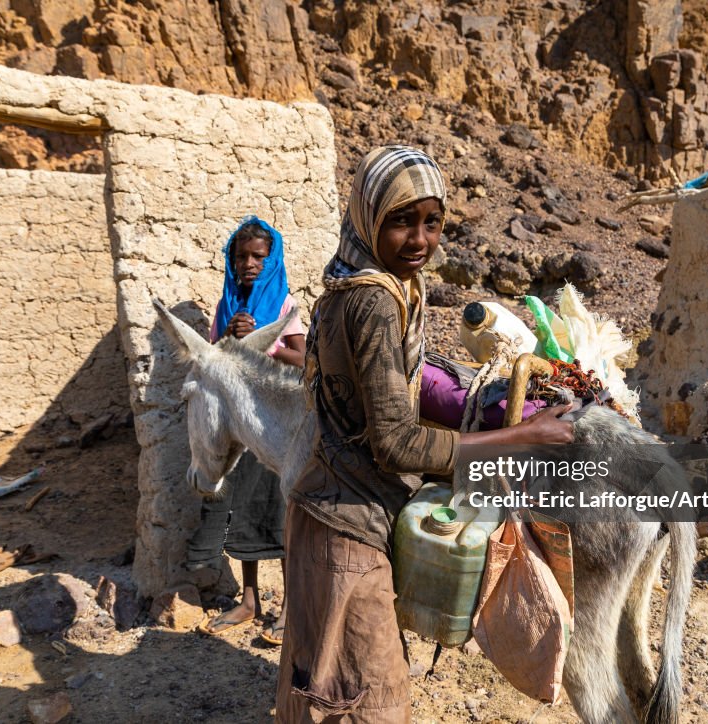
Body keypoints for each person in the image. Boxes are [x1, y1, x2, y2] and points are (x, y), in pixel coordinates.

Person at [275, 146, 575, 723]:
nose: (419, 240)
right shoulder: (374, 300)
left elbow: (354, 388)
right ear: (368, 217)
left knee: (322, 676)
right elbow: (396, 443)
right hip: (346, 525)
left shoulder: (356, 282)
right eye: (400, 221)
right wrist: (521, 435)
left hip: (329, 508)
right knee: (368, 698)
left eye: (432, 222)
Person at [189, 216, 305, 645]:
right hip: (239, 429)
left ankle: (291, 607)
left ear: (272, 259)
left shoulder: (281, 304)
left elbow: (304, 358)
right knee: (242, 515)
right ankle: (249, 599)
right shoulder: (227, 304)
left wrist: (263, 339)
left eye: (259, 256)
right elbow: (216, 360)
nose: (249, 263)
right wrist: (228, 342)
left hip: (273, 426)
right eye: (241, 256)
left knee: (280, 517)